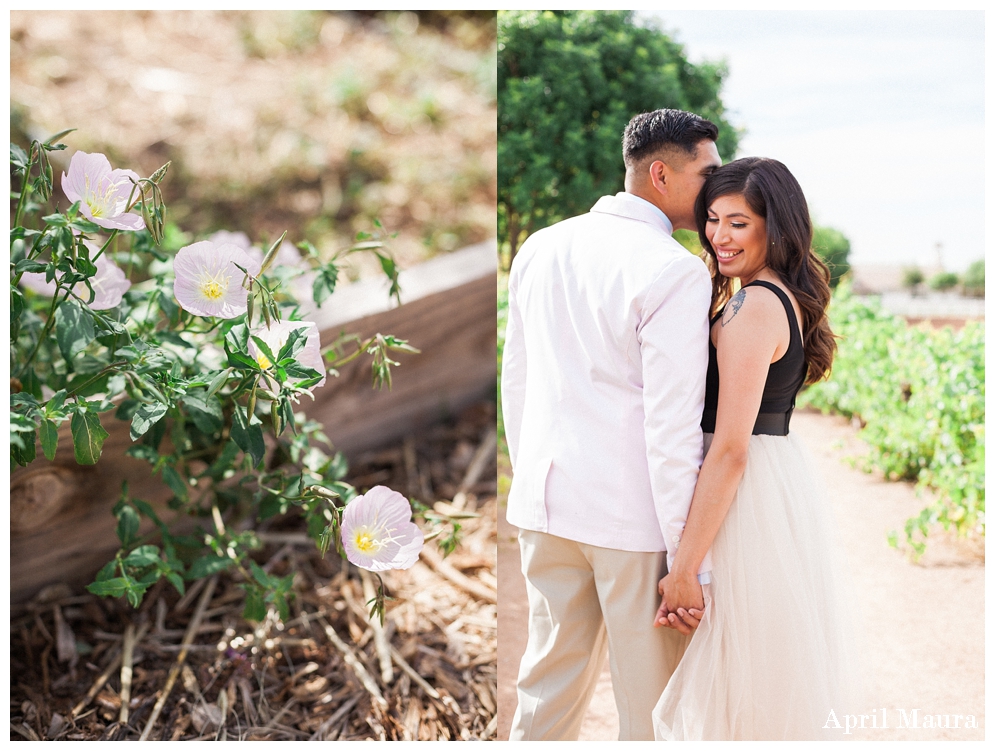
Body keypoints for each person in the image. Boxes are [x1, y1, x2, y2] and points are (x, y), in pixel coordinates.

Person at [501, 108, 721, 741]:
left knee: (545, 692)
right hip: (632, 524)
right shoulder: (672, 270)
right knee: (650, 711)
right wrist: (688, 562)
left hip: (545, 505)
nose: (716, 185)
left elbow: (518, 381)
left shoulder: (540, 245)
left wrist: (531, 483)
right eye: (706, 172)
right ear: (661, 174)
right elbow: (671, 428)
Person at [651, 157, 862, 740]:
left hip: (744, 497)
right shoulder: (772, 296)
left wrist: (685, 569)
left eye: (738, 222)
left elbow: (730, 450)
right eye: (713, 220)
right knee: (759, 672)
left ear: (777, 227)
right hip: (770, 484)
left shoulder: (753, 307)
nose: (719, 236)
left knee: (746, 679)